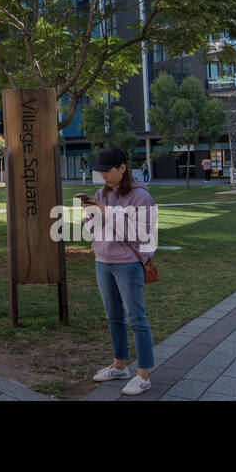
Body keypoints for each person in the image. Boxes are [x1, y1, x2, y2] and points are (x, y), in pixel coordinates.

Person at [77, 146, 157, 396]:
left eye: (107, 171)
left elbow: (138, 233)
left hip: (128, 264)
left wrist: (105, 211)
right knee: (113, 317)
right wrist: (91, 213)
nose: (104, 177)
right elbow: (91, 229)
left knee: (136, 318)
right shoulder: (101, 193)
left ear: (123, 168)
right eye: (100, 172)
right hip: (103, 260)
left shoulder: (140, 197)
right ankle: (119, 365)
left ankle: (143, 375)